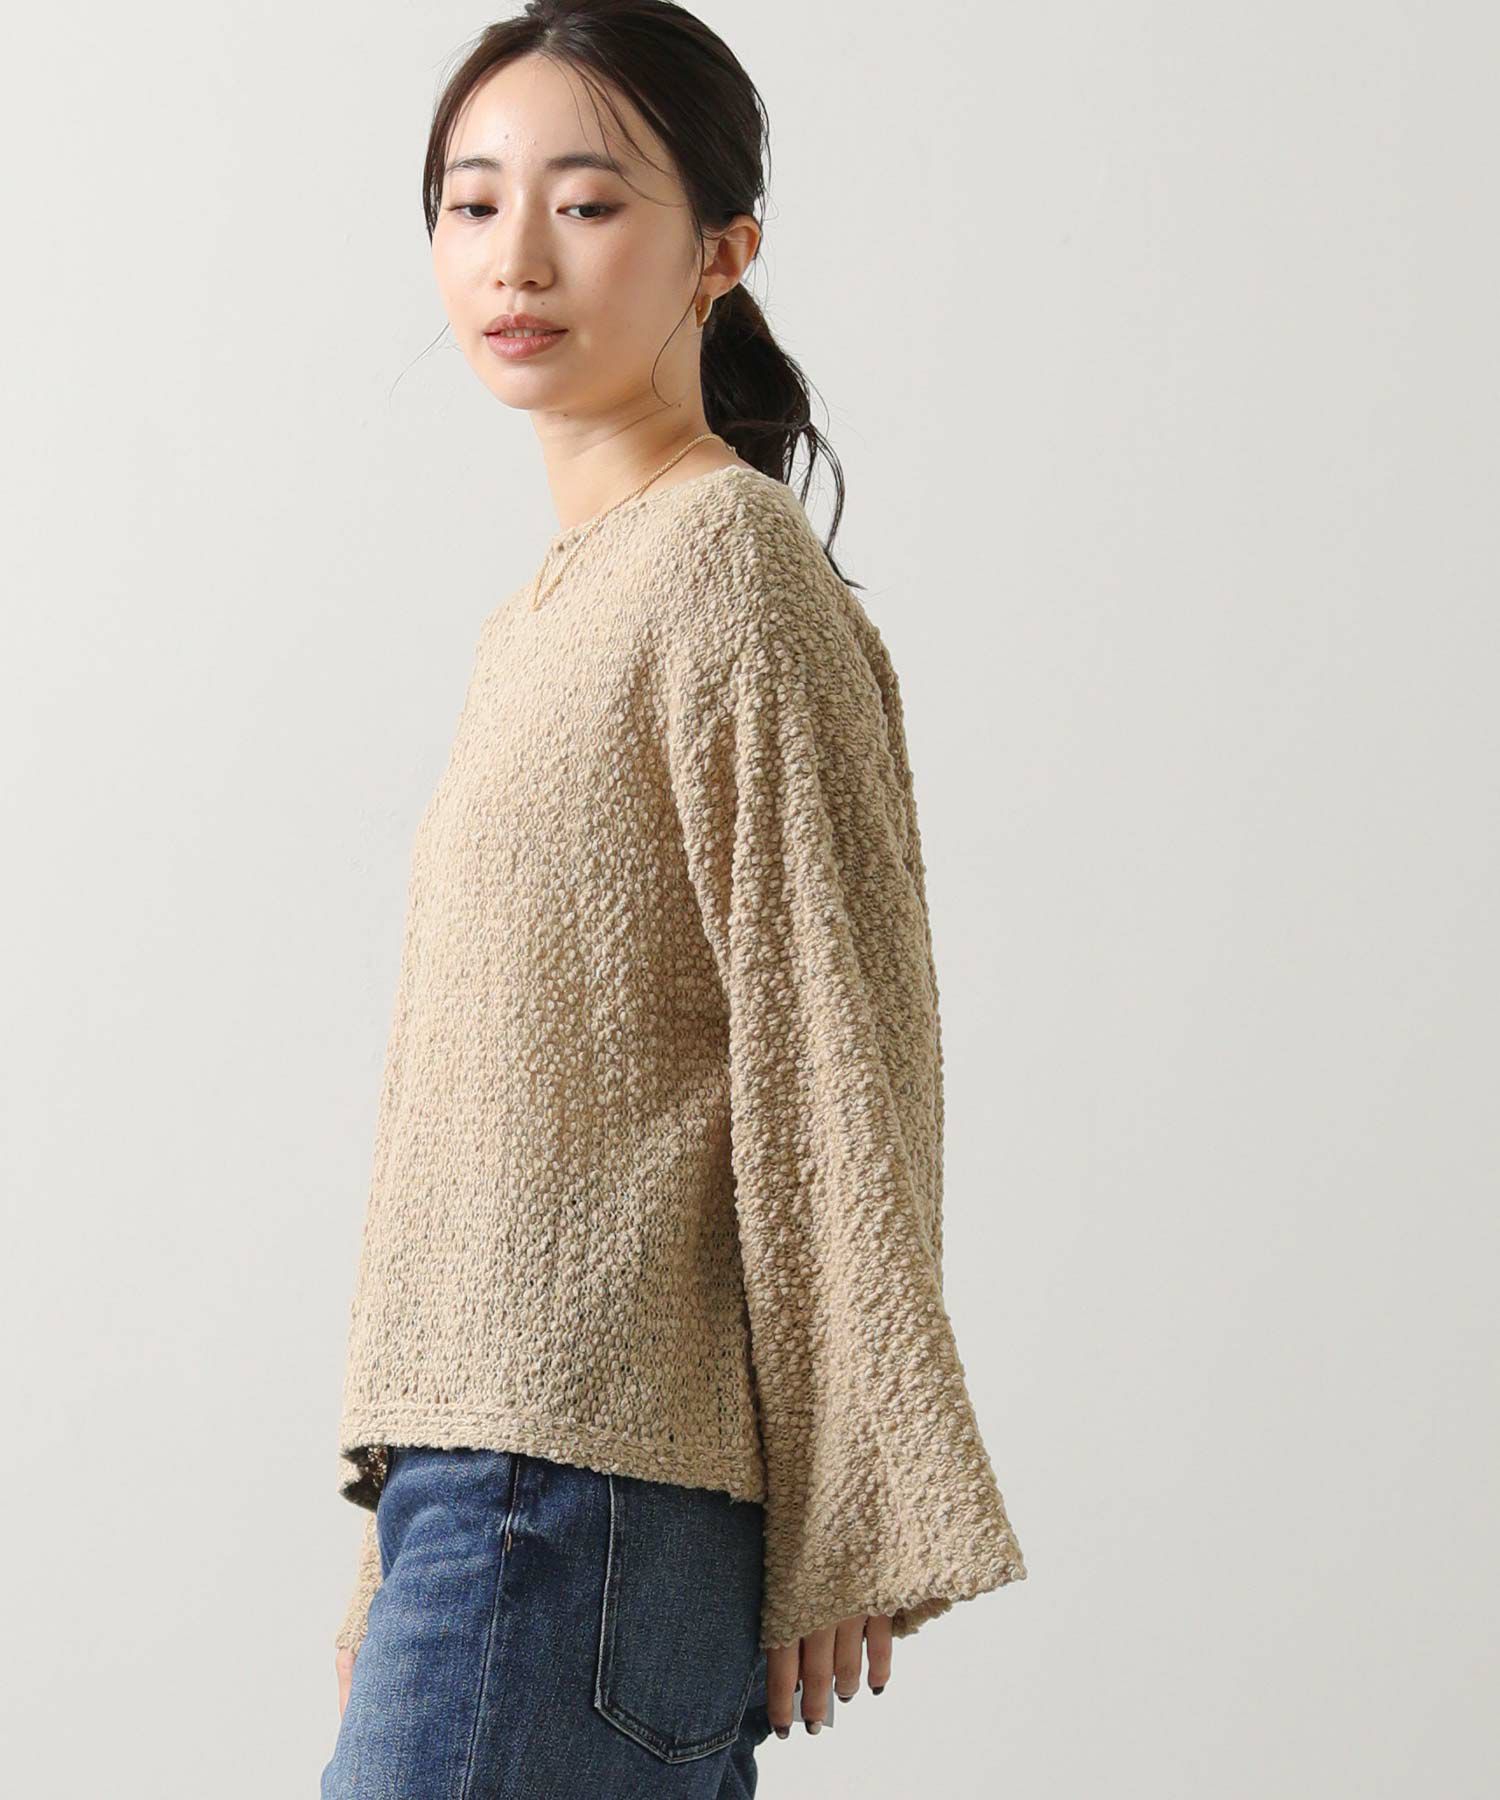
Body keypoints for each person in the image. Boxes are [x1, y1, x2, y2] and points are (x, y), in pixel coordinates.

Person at [320, 4, 1027, 1794]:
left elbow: (838, 1047)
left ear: (723, 251)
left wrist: (854, 1491)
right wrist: (394, 1544)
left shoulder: (726, 569)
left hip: (570, 1510)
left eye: (585, 202)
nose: (516, 258)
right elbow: (508, 1122)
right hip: (499, 1504)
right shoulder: (556, 608)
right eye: (471, 204)